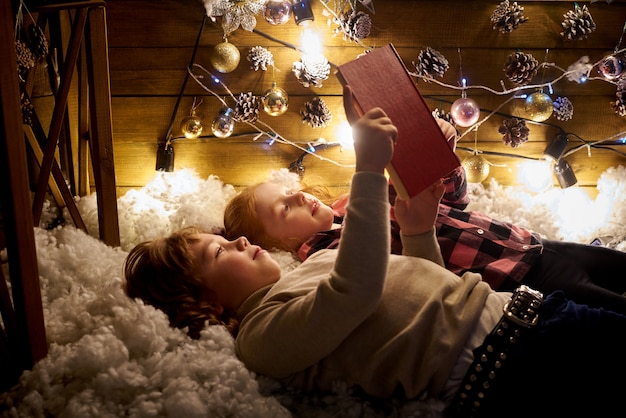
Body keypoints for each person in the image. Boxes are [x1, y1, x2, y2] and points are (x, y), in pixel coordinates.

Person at [124, 86, 626, 417]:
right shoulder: (261, 337)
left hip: (531, 311)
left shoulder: (312, 267)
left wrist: (417, 233)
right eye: (218, 252)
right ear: (204, 301)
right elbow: (356, 293)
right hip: (506, 363)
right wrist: (365, 171)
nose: (238, 241)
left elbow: (434, 288)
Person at [223, 119, 626, 315]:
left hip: (527, 242)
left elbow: (452, 203)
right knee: (608, 307)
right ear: (278, 246)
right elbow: (411, 279)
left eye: (293, 191)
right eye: (285, 207)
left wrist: (440, 159)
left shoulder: (353, 199)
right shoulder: (329, 256)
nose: (301, 197)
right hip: (513, 277)